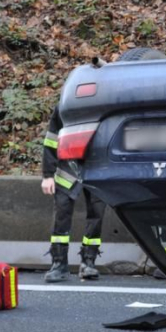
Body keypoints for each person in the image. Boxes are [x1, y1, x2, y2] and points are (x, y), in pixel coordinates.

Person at [41, 105, 106, 282]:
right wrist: (48, 175)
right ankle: (59, 264)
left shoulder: (105, 103)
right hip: (67, 168)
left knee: (97, 215)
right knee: (62, 215)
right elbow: (52, 139)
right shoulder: (65, 106)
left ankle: (88, 263)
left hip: (96, 167)